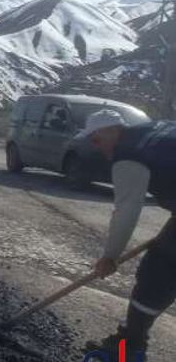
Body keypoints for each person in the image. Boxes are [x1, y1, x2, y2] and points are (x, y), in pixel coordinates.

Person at [80, 110, 176, 358]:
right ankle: (129, 343)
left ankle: (128, 348)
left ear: (112, 131)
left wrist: (110, 256)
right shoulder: (158, 128)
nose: (96, 147)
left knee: (159, 270)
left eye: (96, 139)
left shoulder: (129, 152)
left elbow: (127, 210)